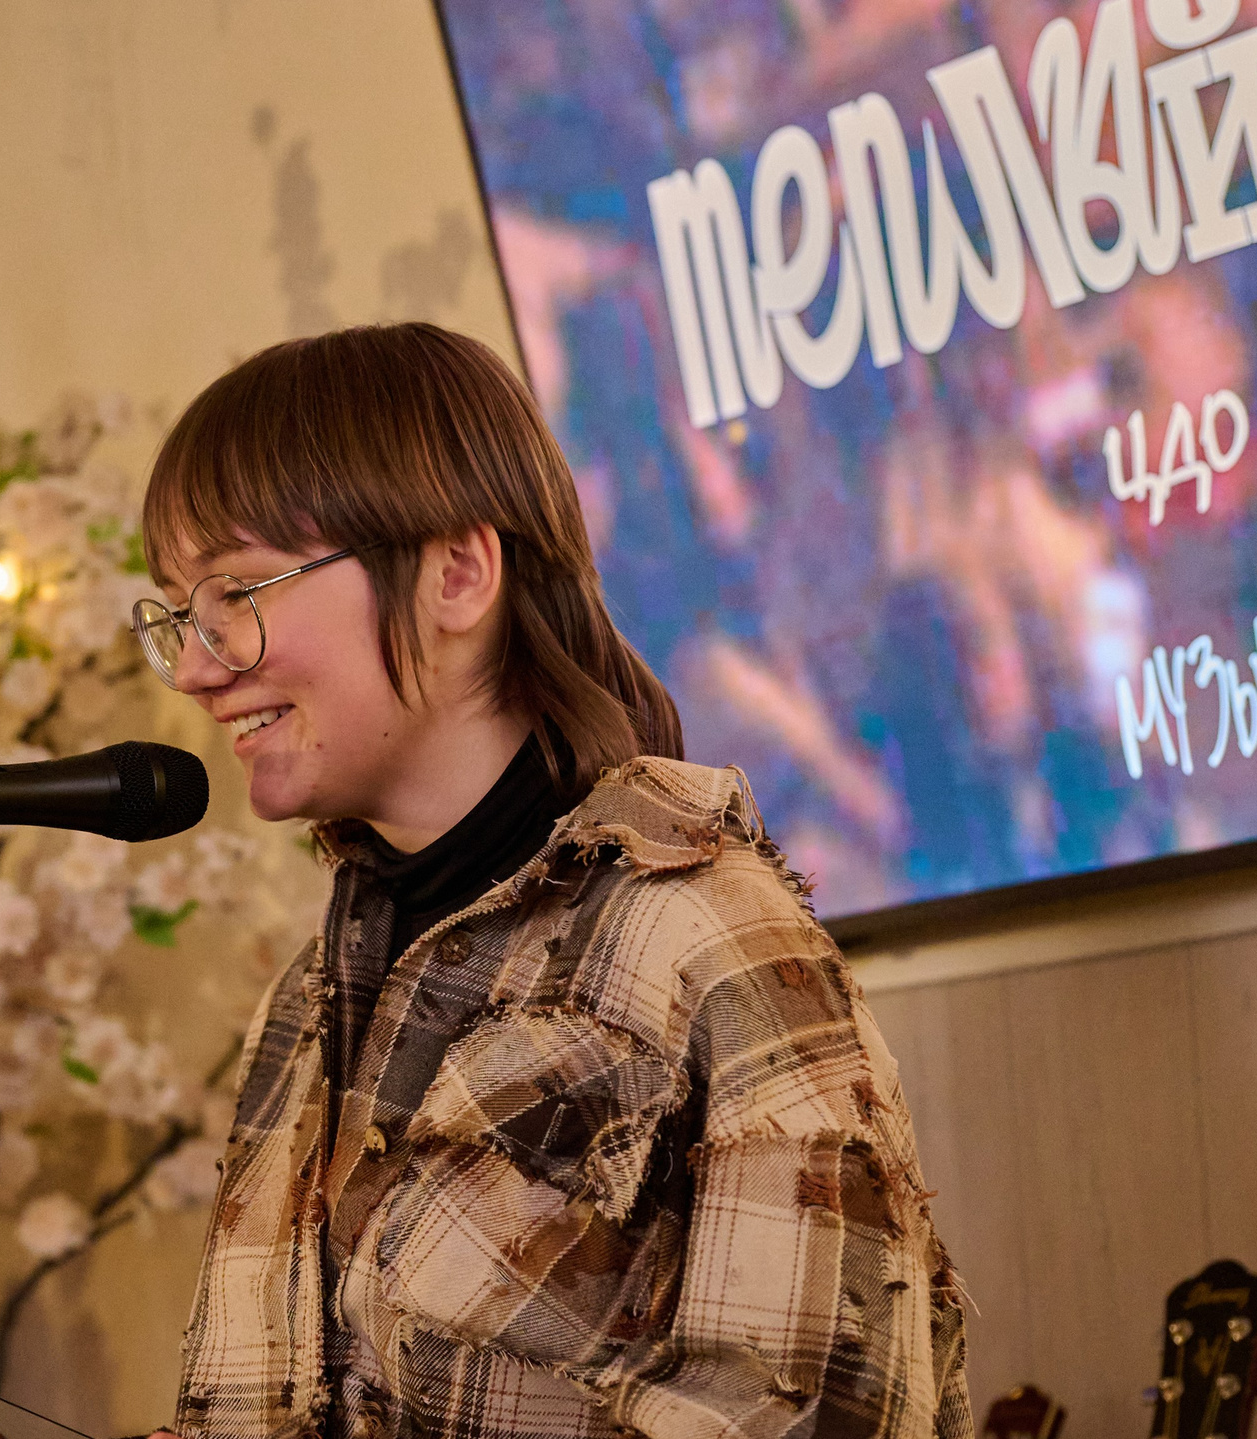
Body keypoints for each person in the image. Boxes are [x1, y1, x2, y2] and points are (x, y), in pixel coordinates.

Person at [134, 324, 969, 1439]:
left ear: (457, 571)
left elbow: (824, 1417)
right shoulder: (307, 997)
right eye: (181, 613)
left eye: (236, 593)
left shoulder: (708, 938)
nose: (195, 665)